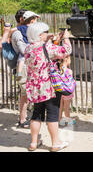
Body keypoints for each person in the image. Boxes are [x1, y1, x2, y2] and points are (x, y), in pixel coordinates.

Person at [25, 22, 71, 151]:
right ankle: (55, 143)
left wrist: (49, 39)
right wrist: (66, 38)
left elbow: (42, 49)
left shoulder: (28, 48)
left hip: (35, 87)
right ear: (40, 35)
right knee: (52, 114)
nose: (47, 33)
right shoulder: (47, 48)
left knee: (36, 114)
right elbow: (66, 51)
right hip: (49, 87)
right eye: (45, 32)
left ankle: (33, 143)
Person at [12, 10, 39, 128]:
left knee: (27, 93)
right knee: (25, 93)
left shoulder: (25, 32)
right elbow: (23, 50)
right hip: (23, 65)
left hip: (29, 64)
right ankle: (23, 120)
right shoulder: (18, 33)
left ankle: (26, 117)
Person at [58, 55, 76, 126]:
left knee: (60, 107)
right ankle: (68, 121)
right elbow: (70, 82)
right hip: (67, 93)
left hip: (59, 91)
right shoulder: (69, 71)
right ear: (66, 60)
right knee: (66, 108)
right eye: (70, 59)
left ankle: (59, 120)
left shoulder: (58, 70)